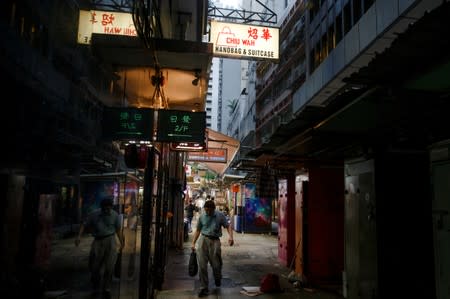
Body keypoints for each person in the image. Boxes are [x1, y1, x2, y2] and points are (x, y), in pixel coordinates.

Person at [75, 198, 124, 299]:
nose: (107, 209)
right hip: (98, 241)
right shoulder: (94, 214)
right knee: (94, 266)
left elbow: (118, 230)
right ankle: (96, 286)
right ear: (101, 207)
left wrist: (122, 242)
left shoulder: (115, 215)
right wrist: (79, 236)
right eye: (105, 207)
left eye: (109, 207)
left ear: (111, 206)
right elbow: (84, 224)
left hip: (111, 240)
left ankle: (107, 287)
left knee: (110, 266)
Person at [191, 200, 234, 297]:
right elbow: (198, 230)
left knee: (216, 265)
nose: (208, 212)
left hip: (215, 241)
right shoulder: (202, 216)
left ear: (214, 209)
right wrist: (193, 243)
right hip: (203, 240)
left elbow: (228, 226)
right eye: (206, 211)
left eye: (209, 211)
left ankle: (217, 277)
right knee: (202, 265)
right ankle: (204, 288)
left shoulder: (220, 216)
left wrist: (231, 237)